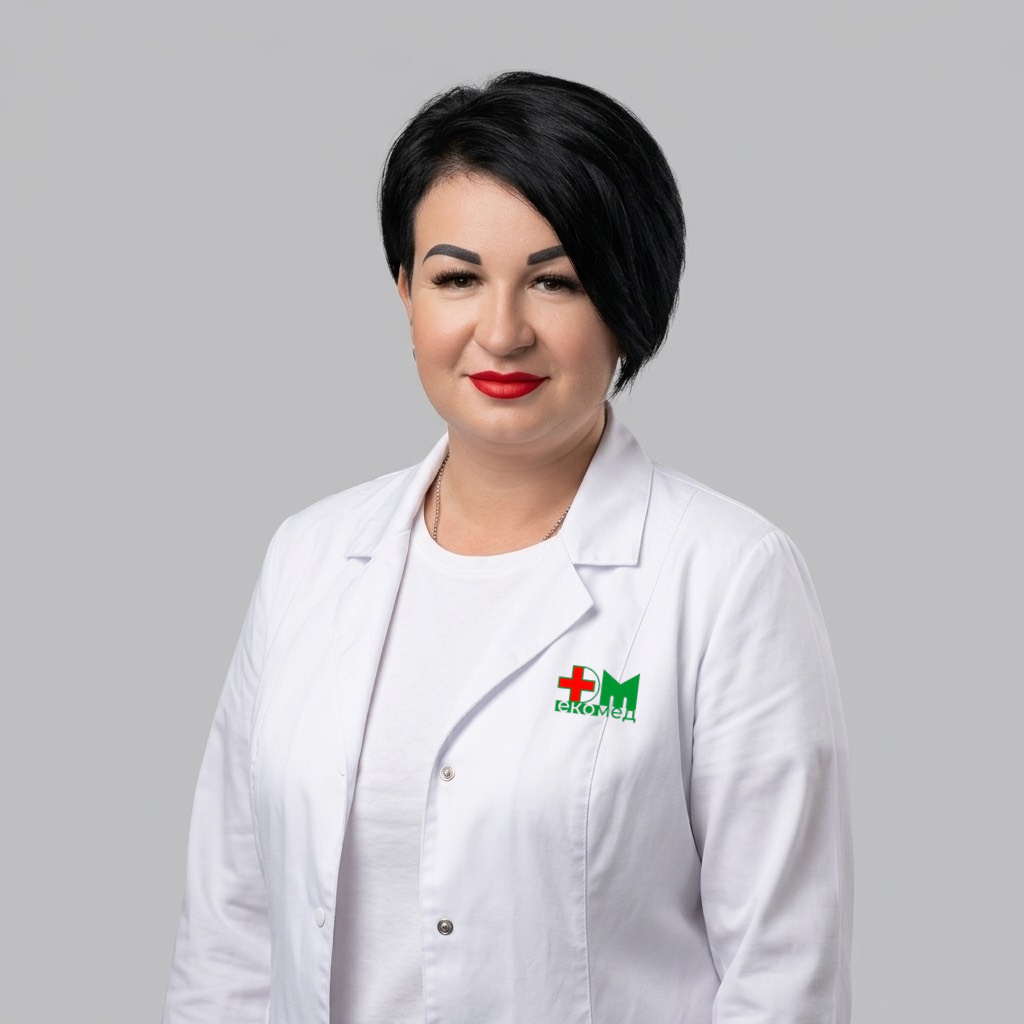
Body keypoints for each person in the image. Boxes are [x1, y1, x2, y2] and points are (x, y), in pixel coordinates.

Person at [162, 71, 853, 1024]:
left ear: (628, 298)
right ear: (406, 293)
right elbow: (228, 938)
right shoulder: (308, 558)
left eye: (554, 282)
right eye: (456, 279)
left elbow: (783, 975)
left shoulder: (729, 578)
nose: (501, 331)